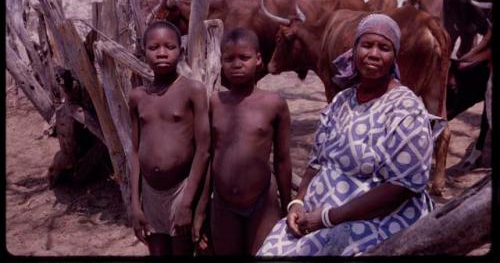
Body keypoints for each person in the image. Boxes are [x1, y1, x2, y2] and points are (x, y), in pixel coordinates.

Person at [257, 14, 444, 256]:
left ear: (394, 56)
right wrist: (298, 203)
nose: (374, 54)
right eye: (366, 45)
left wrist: (327, 218)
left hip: (379, 217)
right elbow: (315, 164)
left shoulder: (405, 108)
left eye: (384, 48)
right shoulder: (341, 101)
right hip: (317, 214)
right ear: (354, 51)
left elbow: (401, 187)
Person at [196, 27, 292, 255]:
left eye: (244, 57)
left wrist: (287, 206)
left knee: (263, 253)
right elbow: (207, 157)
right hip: (223, 202)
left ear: (258, 59)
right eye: (229, 59)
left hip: (263, 203)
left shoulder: (274, 103)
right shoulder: (214, 103)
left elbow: (282, 160)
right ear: (221, 62)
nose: (236, 64)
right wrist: (201, 210)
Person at [128, 20, 210, 256]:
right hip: (150, 192)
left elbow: (204, 149)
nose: (162, 52)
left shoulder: (192, 91)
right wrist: (135, 203)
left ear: (181, 51)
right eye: (154, 47)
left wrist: (187, 203)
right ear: (144, 53)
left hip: (181, 189)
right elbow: (135, 151)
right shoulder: (138, 97)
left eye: (169, 47)